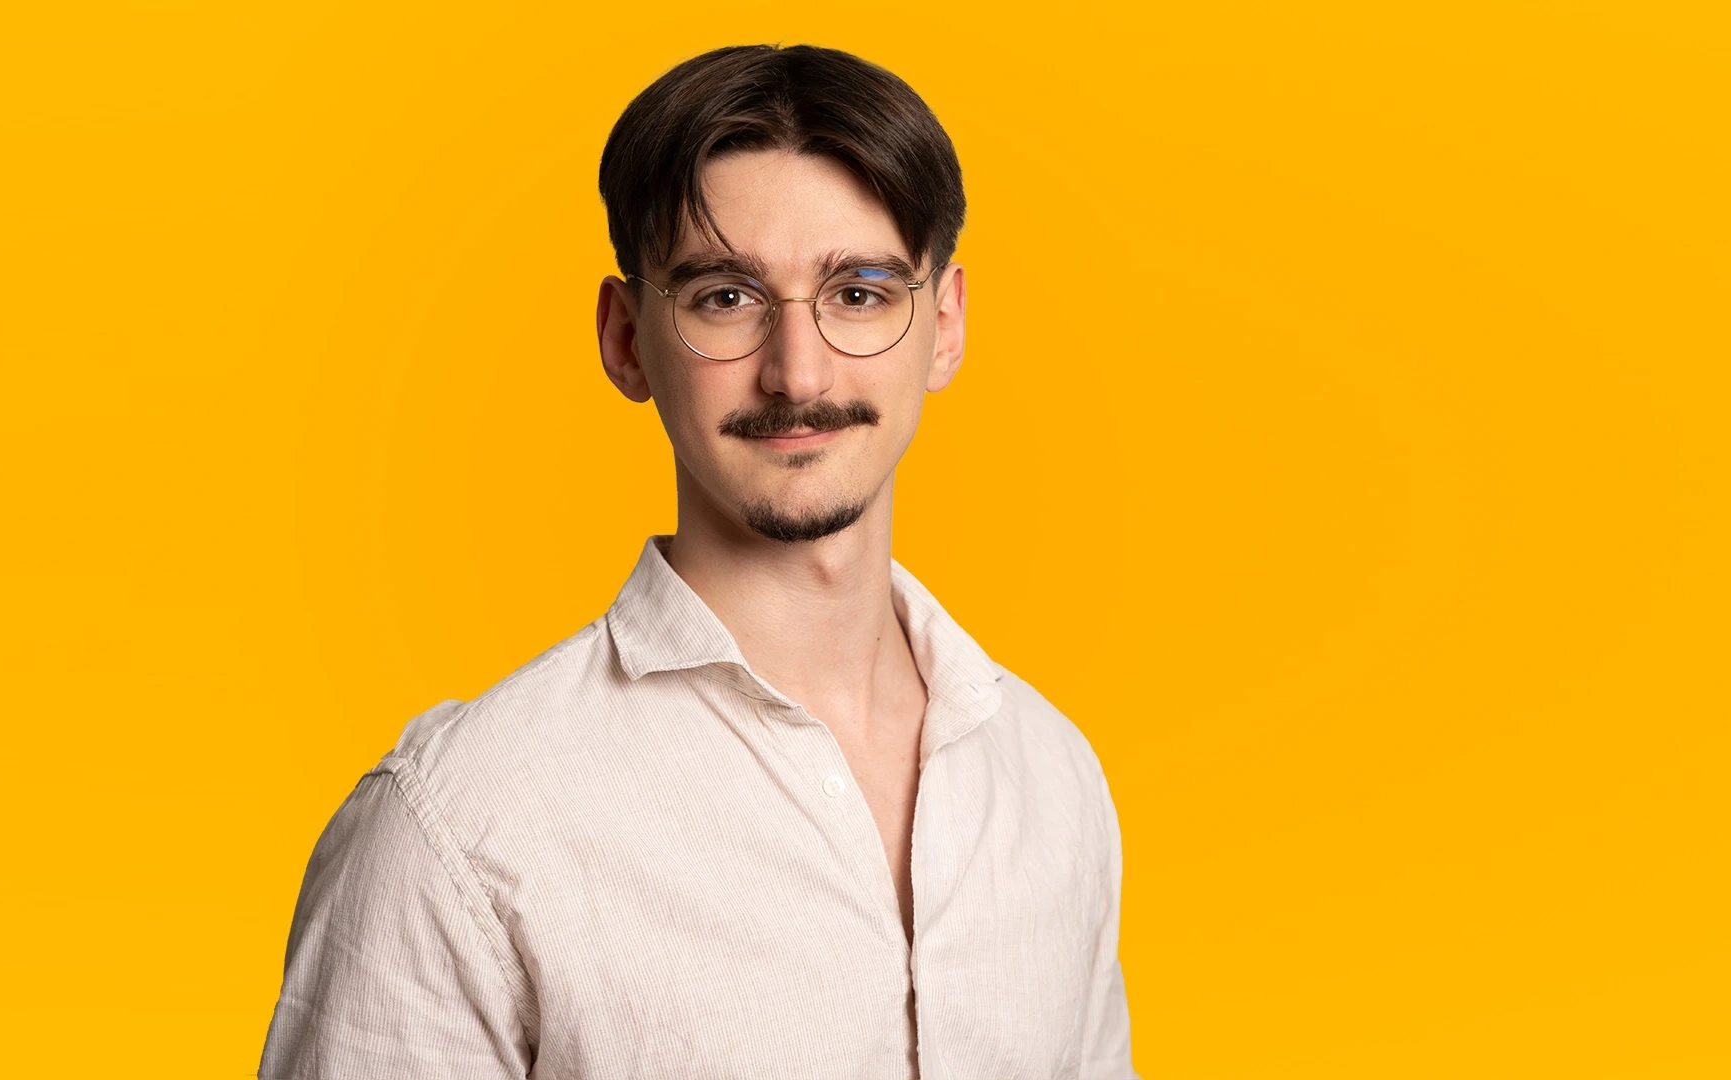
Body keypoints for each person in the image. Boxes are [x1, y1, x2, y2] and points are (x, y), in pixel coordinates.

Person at [259, 43, 1137, 1080]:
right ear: (628, 339)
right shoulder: (465, 826)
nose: (796, 370)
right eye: (726, 297)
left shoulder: (1048, 779)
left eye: (858, 293)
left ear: (941, 326)